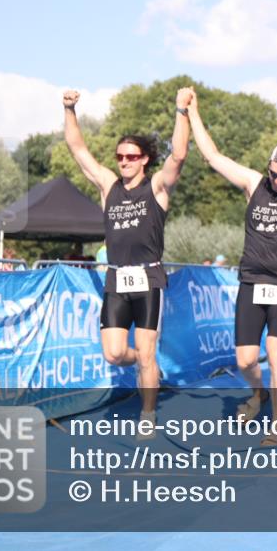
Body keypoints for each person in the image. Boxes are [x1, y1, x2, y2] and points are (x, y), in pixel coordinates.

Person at [187, 92, 277, 446]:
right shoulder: (252, 184)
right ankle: (258, 394)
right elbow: (212, 156)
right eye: (274, 175)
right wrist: (193, 112)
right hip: (252, 282)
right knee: (245, 360)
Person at [62, 87, 190, 436]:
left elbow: (178, 156)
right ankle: (148, 369)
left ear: (144, 159)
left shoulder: (157, 188)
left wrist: (181, 111)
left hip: (148, 280)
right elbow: (78, 149)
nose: (123, 161)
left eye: (131, 157)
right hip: (117, 281)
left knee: (147, 353)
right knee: (115, 354)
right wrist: (69, 110)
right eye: (120, 156)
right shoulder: (109, 186)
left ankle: (148, 414)